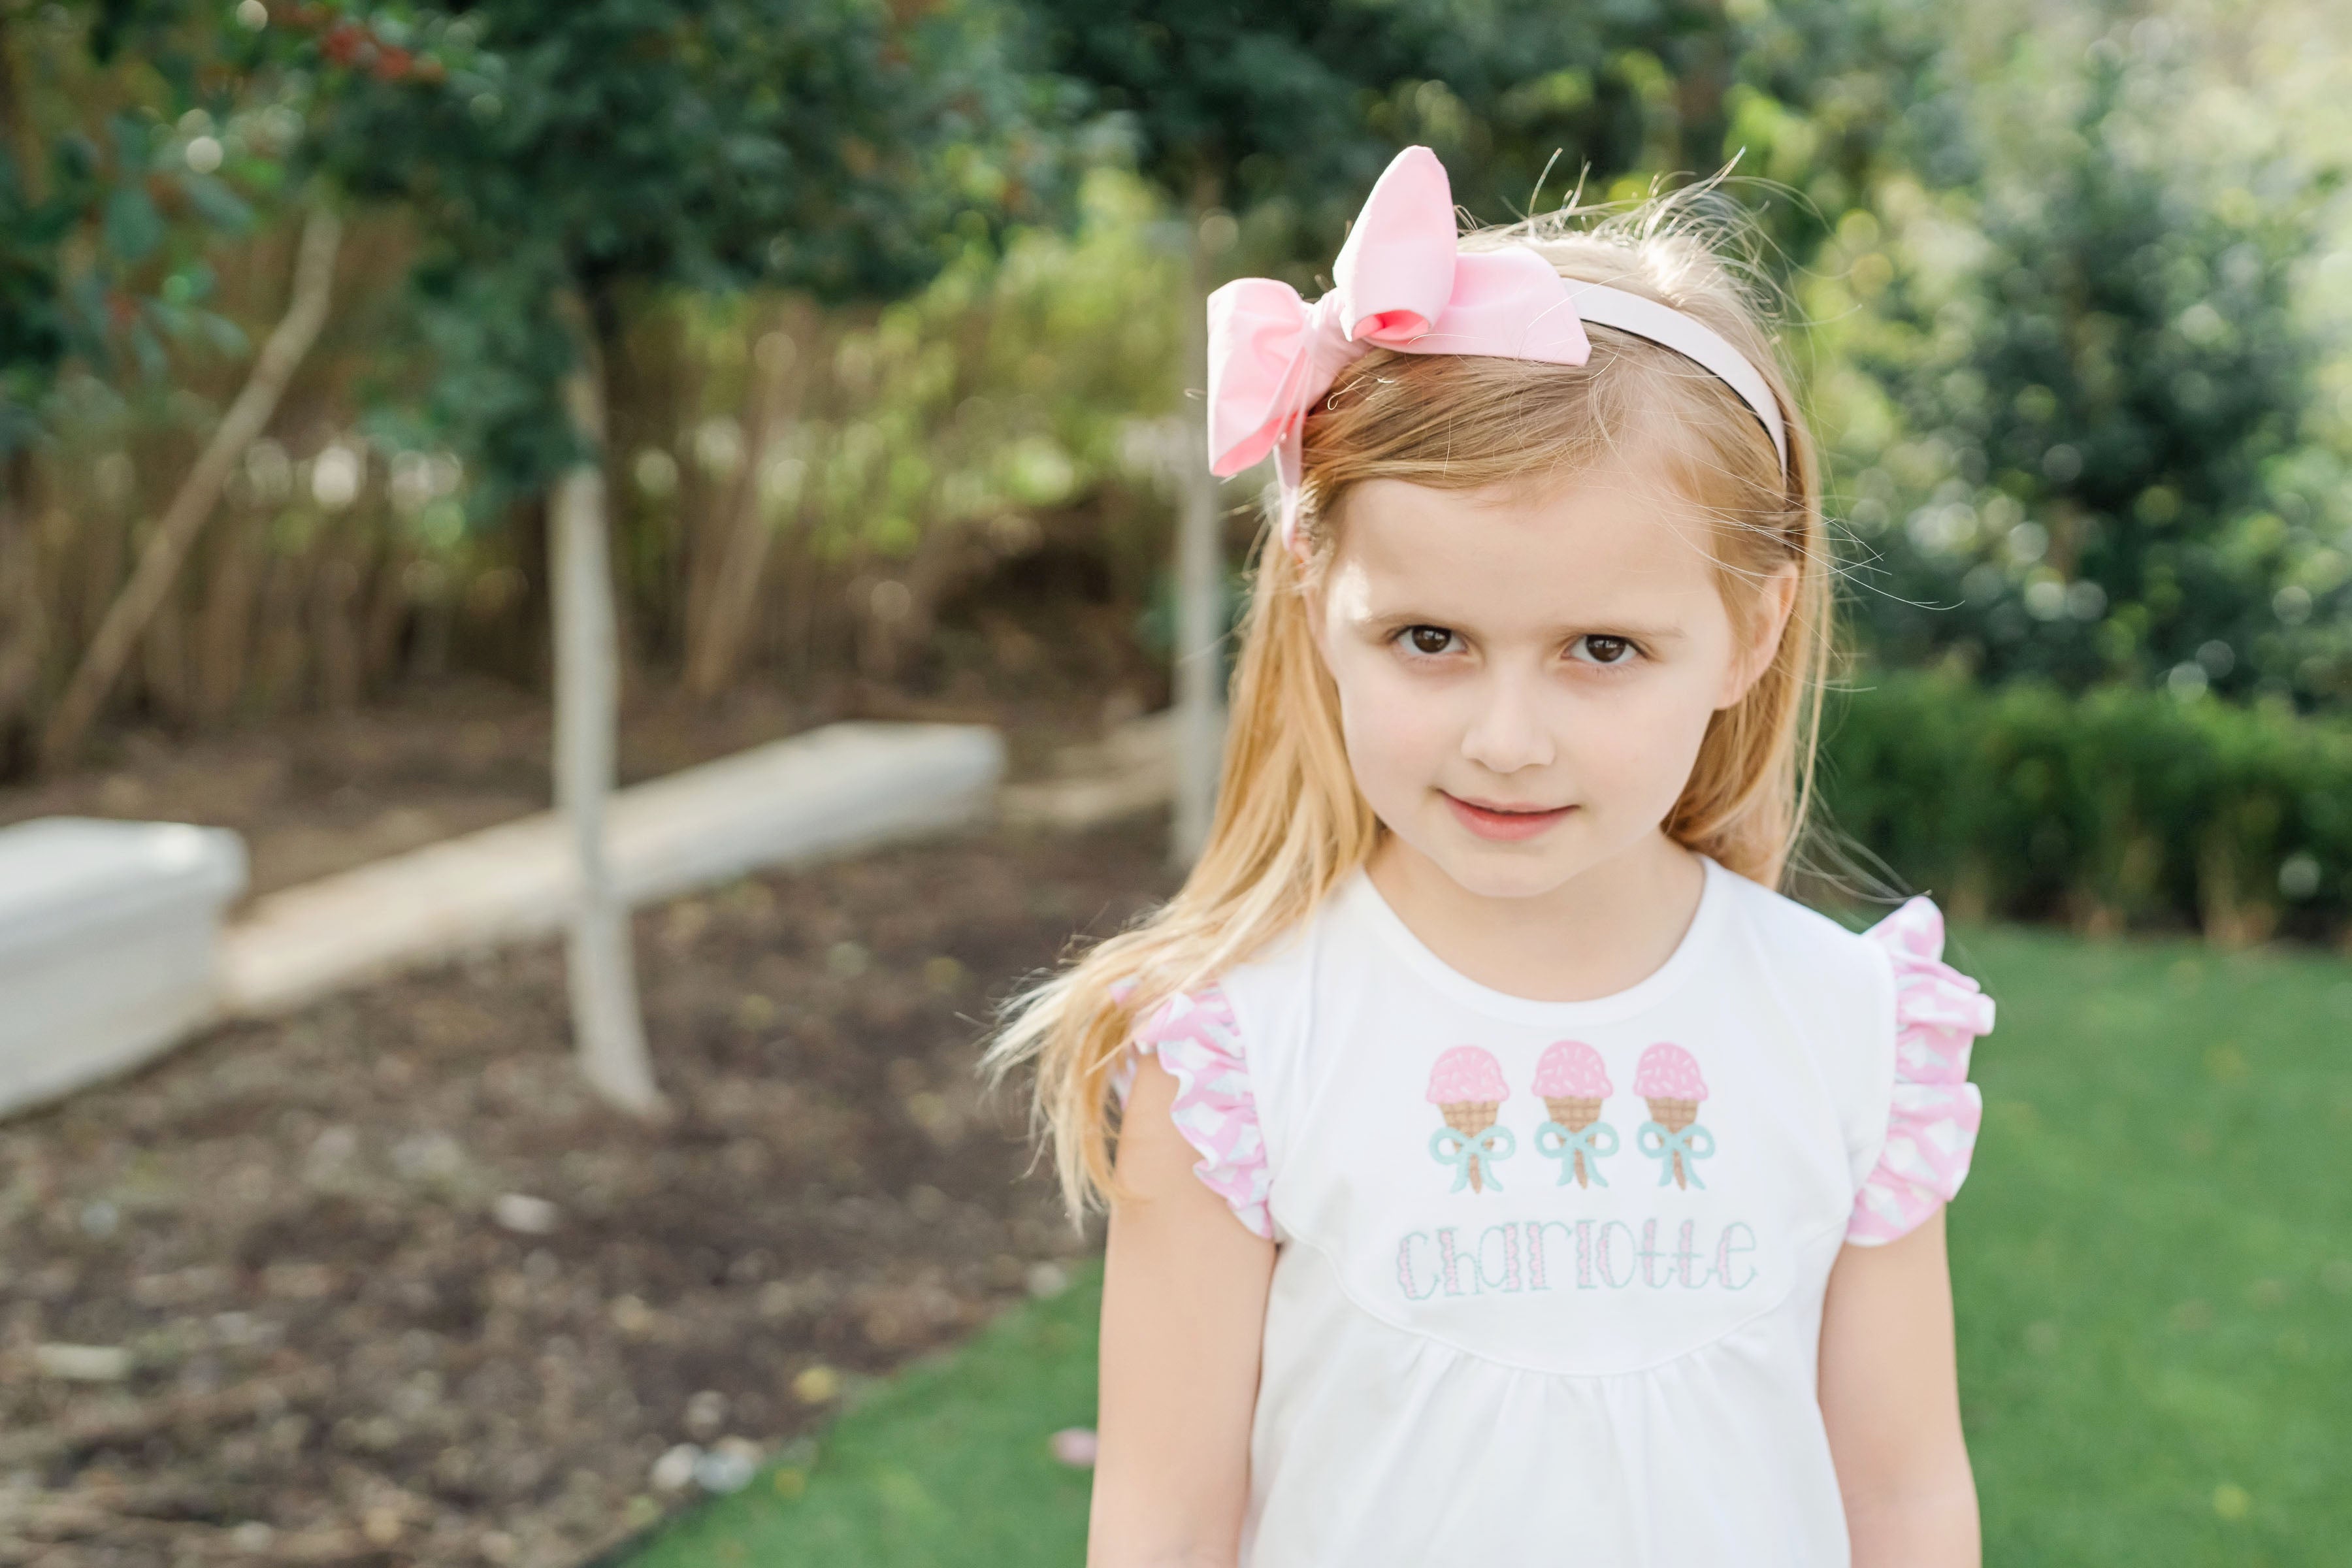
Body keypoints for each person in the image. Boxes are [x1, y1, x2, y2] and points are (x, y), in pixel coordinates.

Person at [981, 144, 1997, 1567]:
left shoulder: (1849, 1033)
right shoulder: (1237, 1054)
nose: (1507, 740)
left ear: (1751, 636)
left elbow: (1904, 1502)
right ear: (1319, 598)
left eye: (1602, 650)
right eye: (1432, 641)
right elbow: (1163, 1520)